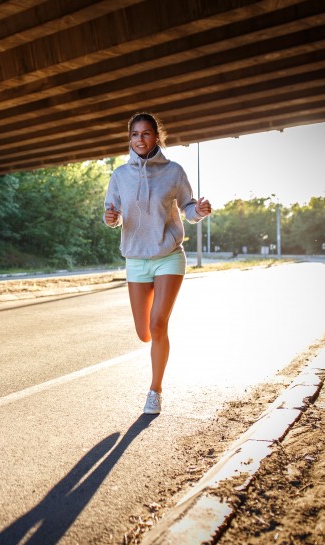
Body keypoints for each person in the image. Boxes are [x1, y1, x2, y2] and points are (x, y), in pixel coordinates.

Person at [103, 112, 212, 414]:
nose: (140, 139)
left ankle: (155, 390)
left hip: (168, 256)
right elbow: (111, 213)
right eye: (135, 134)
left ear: (156, 137)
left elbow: (189, 208)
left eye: (146, 133)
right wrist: (111, 218)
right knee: (144, 332)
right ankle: (155, 348)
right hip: (136, 259)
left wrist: (199, 210)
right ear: (130, 139)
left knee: (158, 323)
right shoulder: (119, 176)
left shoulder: (174, 172)